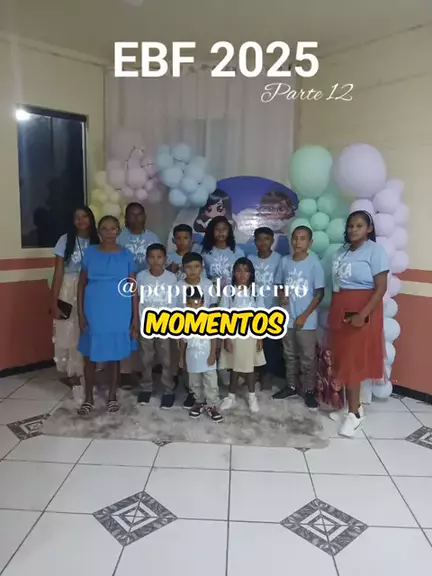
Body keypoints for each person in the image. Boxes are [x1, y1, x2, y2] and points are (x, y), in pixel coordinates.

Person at [329, 210, 389, 437]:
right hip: (341, 308)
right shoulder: (341, 251)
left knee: (353, 361)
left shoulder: (375, 251)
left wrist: (363, 314)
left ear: (369, 229)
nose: (353, 229)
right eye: (351, 225)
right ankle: (352, 406)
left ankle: (354, 415)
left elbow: (380, 288)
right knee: (343, 359)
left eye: (359, 226)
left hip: (362, 310)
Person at [77, 215, 139, 415]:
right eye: (105, 228)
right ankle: (88, 397)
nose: (109, 232)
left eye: (113, 228)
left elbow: (133, 287)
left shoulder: (126, 255)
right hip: (94, 309)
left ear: (119, 231)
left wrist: (135, 317)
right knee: (90, 355)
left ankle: (112, 396)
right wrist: (80, 313)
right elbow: (81, 284)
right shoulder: (90, 253)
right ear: (99, 231)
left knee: (115, 355)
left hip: (119, 310)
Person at [272, 226, 325, 409]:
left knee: (308, 357)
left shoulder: (314, 263)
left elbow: (319, 294)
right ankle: (291, 386)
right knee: (289, 354)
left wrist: (304, 315)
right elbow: (279, 284)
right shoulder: (285, 261)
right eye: (295, 238)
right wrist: (281, 295)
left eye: (302, 239)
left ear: (310, 242)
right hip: (287, 317)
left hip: (306, 319)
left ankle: (309, 391)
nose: (298, 242)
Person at [51, 206, 99, 387]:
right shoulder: (65, 240)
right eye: (77, 217)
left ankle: (87, 370)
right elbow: (58, 274)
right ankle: (72, 372)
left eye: (85, 216)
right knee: (68, 331)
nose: (81, 220)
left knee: (87, 329)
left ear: (91, 219)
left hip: (91, 288)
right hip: (68, 288)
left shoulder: (98, 240)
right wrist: (53, 302)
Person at [117, 202, 159, 389]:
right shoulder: (119, 238)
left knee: (145, 329)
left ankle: (145, 368)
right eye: (132, 214)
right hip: (125, 289)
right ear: (126, 217)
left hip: (148, 288)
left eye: (139, 214)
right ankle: (125, 371)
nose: (136, 218)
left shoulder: (153, 237)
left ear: (145, 217)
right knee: (127, 329)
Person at [219, 258, 266, 413]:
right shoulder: (229, 291)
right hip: (233, 334)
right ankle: (231, 396)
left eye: (246, 271)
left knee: (249, 367)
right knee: (235, 366)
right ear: (233, 273)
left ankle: (252, 396)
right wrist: (226, 338)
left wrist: (260, 337)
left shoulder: (256, 291)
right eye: (239, 270)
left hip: (251, 335)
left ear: (251, 274)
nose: (242, 274)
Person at [136, 243, 178, 409]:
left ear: (165, 259)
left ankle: (168, 389)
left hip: (164, 323)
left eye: (159, 257)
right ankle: (146, 387)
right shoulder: (141, 276)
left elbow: (174, 302)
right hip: (146, 323)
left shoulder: (171, 278)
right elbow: (138, 300)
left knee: (166, 358)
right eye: (152, 257)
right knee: (145, 358)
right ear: (147, 259)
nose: (156, 260)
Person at [179, 287, 223, 422]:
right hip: (192, 357)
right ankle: (199, 402)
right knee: (194, 381)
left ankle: (212, 405)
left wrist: (212, 354)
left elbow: (214, 337)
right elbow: (183, 341)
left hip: (207, 356)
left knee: (211, 382)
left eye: (197, 304)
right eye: (190, 304)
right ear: (186, 303)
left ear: (203, 303)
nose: (194, 307)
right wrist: (181, 357)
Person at [249, 227, 284, 389]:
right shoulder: (250, 259)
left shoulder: (279, 259)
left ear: (272, 241)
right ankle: (255, 371)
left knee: (271, 344)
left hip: (272, 308)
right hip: (253, 307)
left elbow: (283, 282)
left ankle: (268, 374)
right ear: (255, 241)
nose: (263, 242)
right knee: (254, 343)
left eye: (266, 239)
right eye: (259, 239)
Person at [200, 216, 245, 292]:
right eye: (217, 229)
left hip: (233, 293)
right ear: (212, 231)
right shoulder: (204, 252)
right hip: (211, 292)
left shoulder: (238, 252)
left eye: (224, 229)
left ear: (229, 231)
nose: (221, 232)